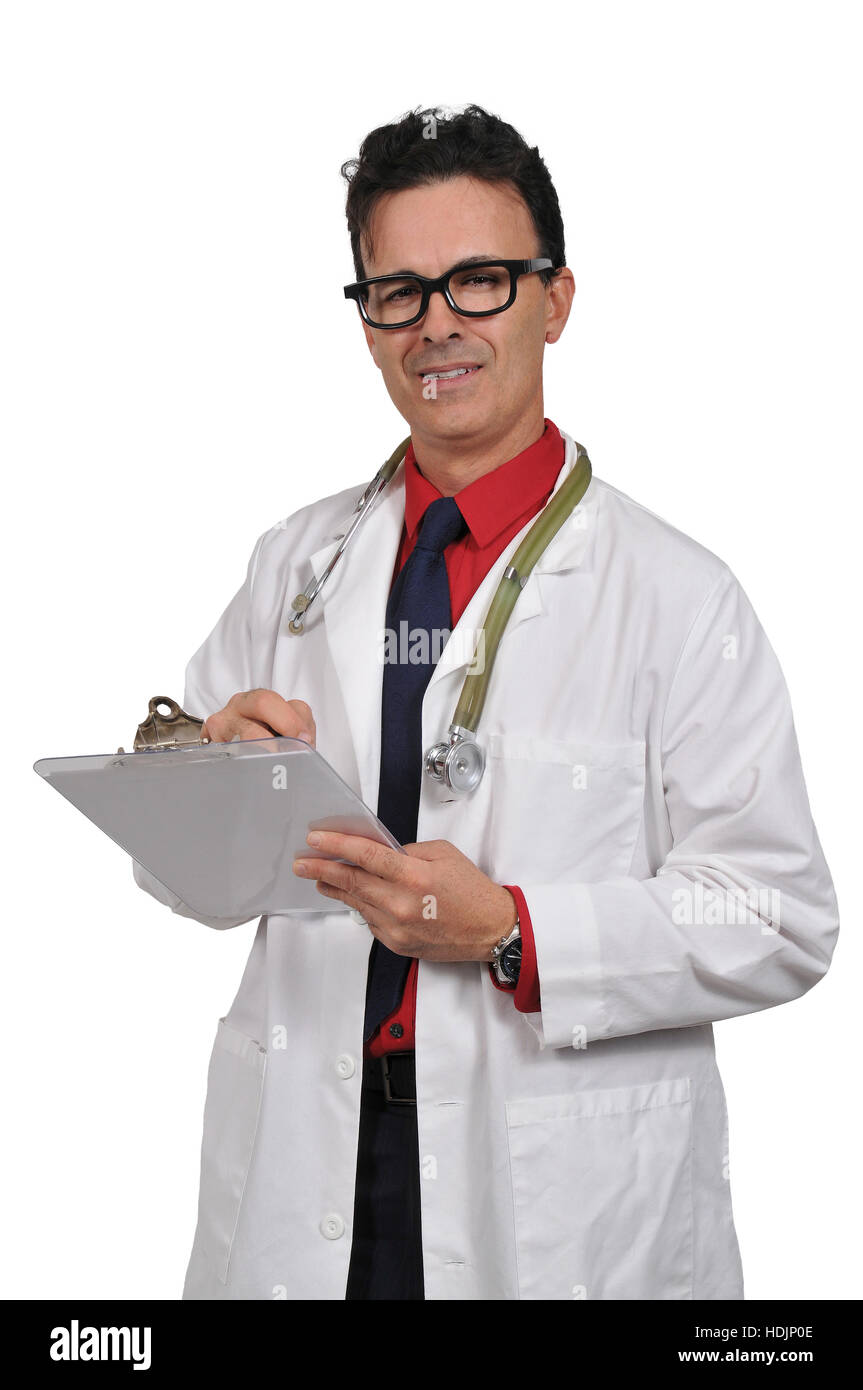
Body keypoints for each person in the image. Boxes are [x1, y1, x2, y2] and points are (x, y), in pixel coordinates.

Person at [134, 104, 839, 1301]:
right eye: (396, 291)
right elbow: (177, 874)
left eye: (479, 280)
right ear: (363, 321)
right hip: (311, 1161)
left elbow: (778, 919)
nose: (435, 324)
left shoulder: (676, 596)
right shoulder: (293, 563)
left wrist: (513, 929)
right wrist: (206, 769)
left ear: (554, 299)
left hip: (553, 1185)